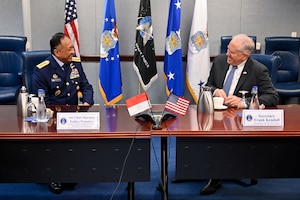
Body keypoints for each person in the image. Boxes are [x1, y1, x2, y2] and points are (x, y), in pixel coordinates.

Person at [200, 34, 279, 195]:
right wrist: (215, 91)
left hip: (240, 118)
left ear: (245, 55)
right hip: (217, 113)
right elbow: (208, 86)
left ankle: (216, 176)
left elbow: (272, 96)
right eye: (228, 49)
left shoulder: (258, 70)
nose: (227, 54)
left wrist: (243, 102)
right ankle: (194, 170)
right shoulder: (220, 61)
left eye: (232, 52)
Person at [32, 32, 94, 194]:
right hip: (52, 117)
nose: (73, 51)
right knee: (57, 144)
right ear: (57, 52)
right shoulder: (42, 70)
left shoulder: (75, 65)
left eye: (73, 47)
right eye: (69, 49)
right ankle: (56, 176)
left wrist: (86, 103)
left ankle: (70, 171)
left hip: (74, 115)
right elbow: (39, 100)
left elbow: (86, 86)